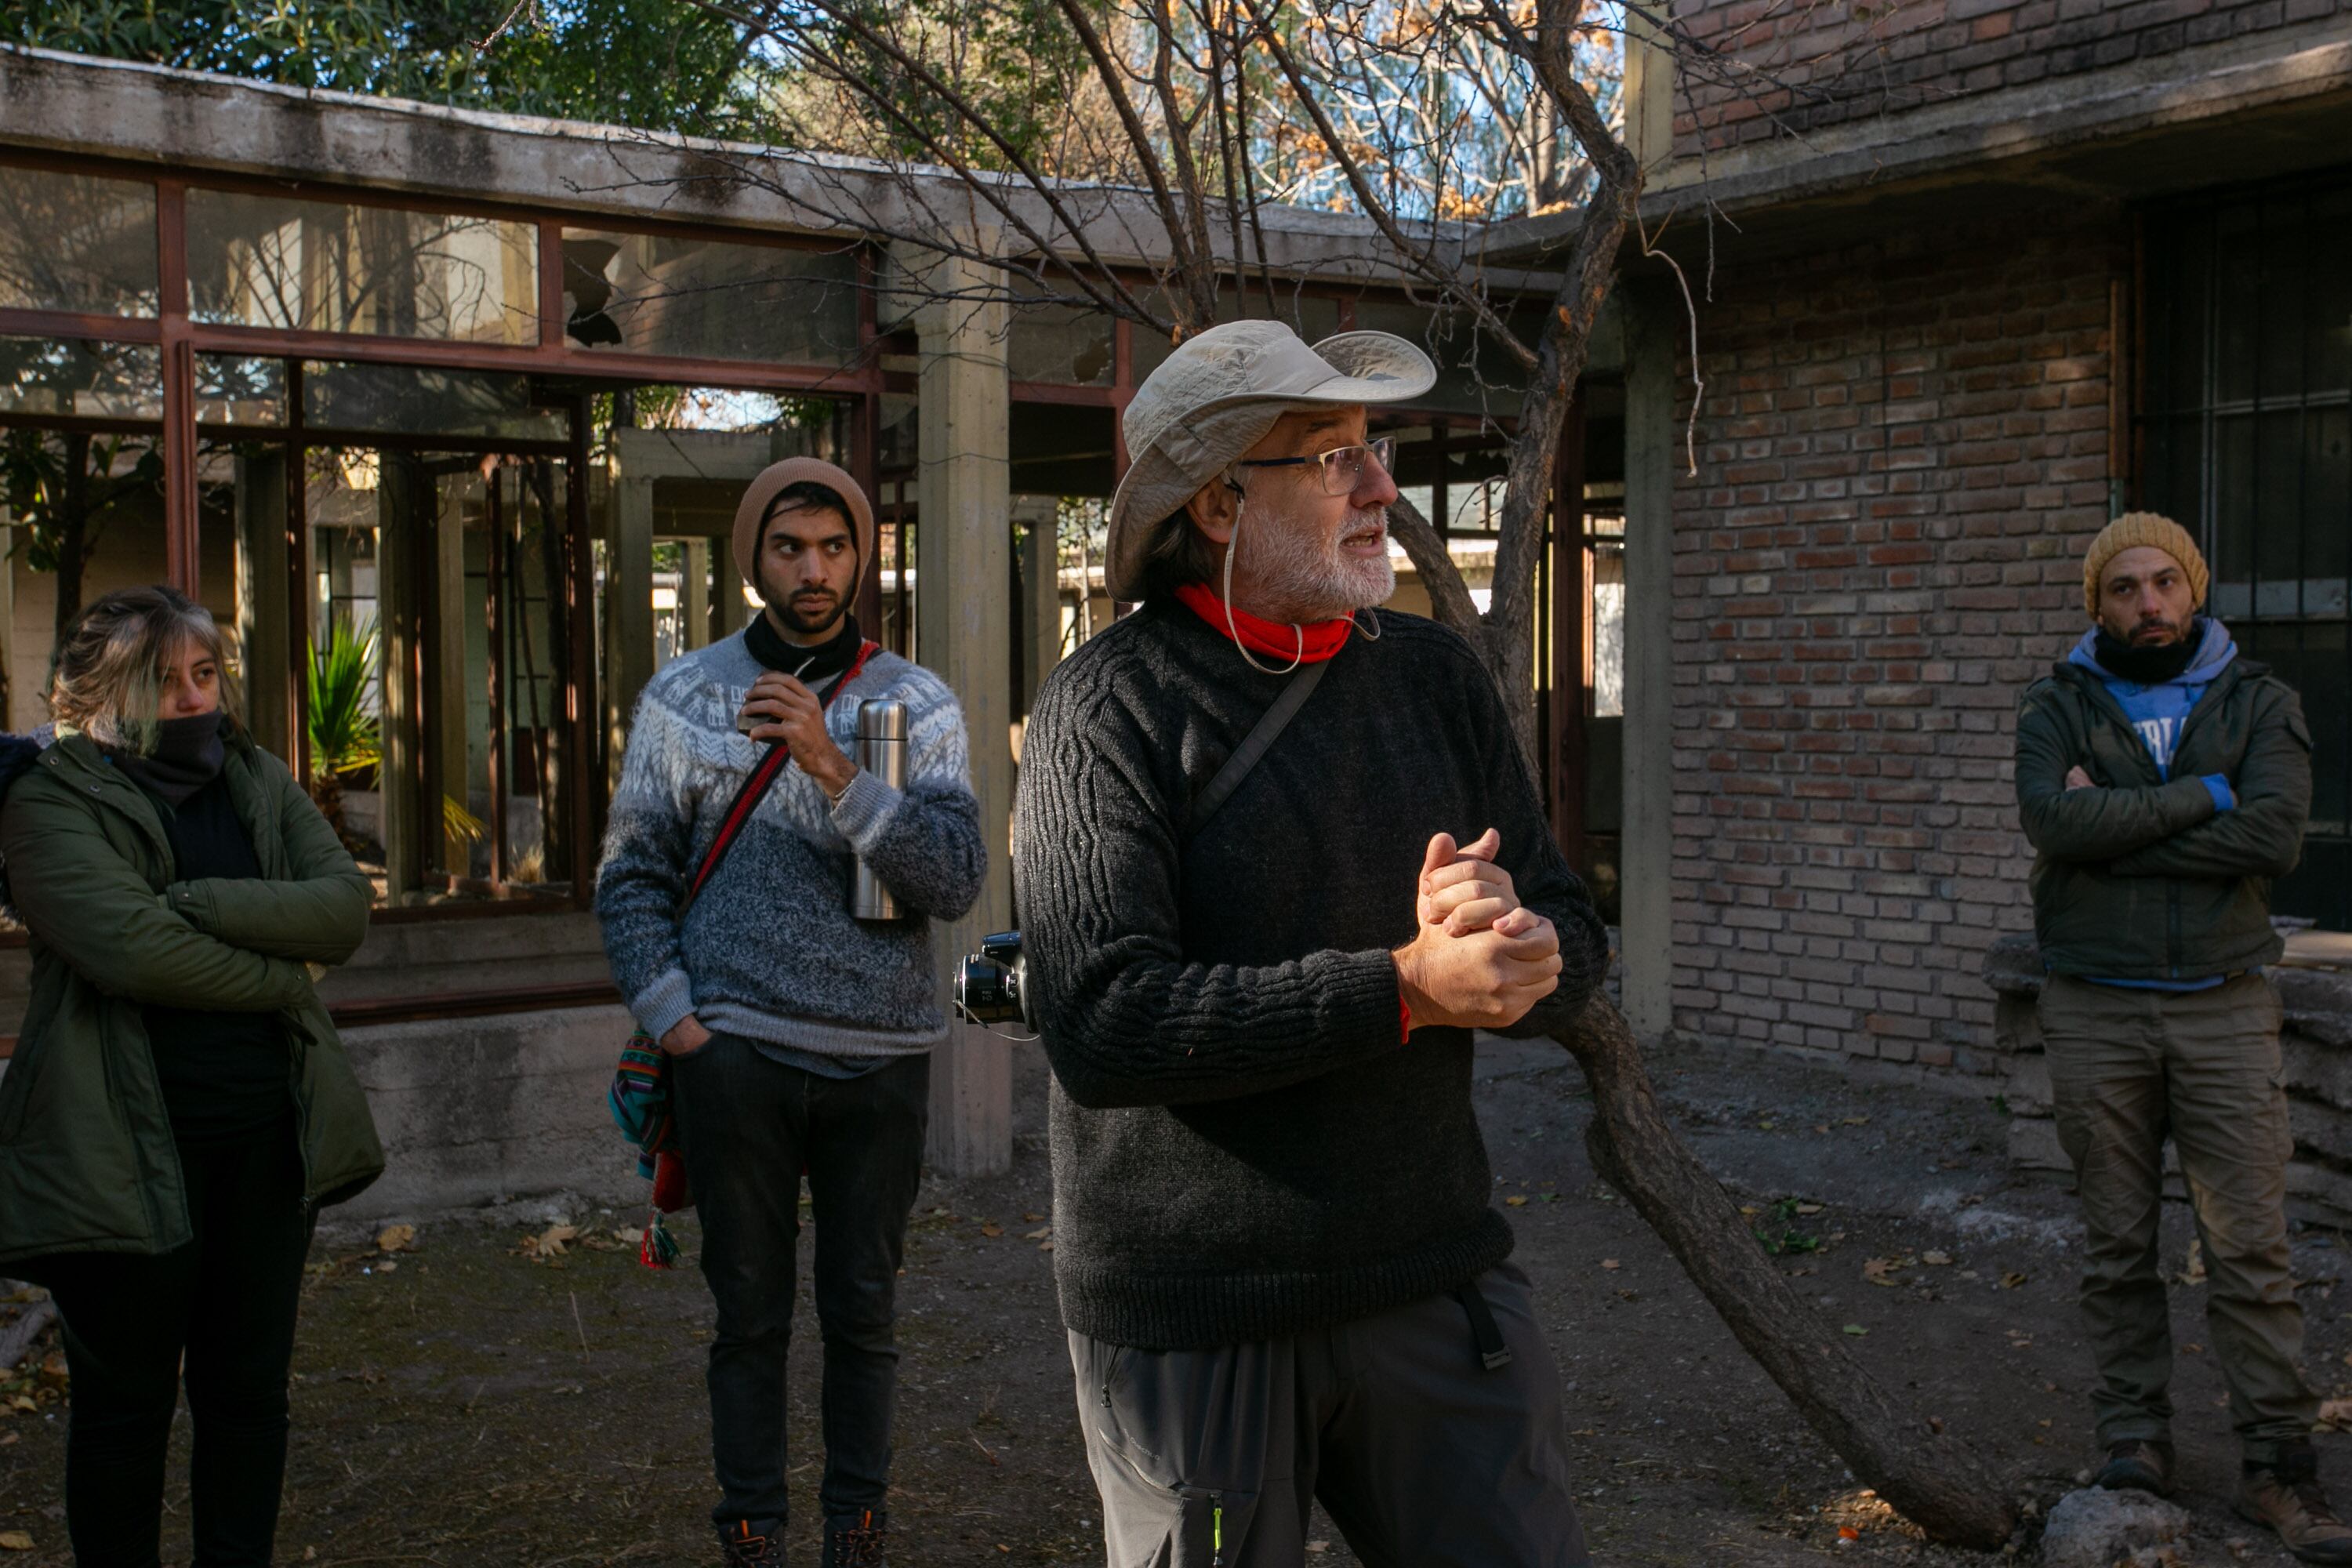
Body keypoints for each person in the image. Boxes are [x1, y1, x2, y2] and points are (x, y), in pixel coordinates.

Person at [1012, 319, 1608, 1568]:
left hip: (1432, 1280)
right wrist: (1404, 988)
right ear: (1222, 503)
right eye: (1332, 456)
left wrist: (1519, 953)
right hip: (1197, 1313)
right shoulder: (1103, 705)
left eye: (1369, 447)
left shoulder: (1439, 680)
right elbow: (1103, 1022)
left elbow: (1577, 931)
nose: (1381, 486)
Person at [596, 457, 986, 1568]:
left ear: (863, 554)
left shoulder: (919, 703)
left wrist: (829, 762)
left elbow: (953, 881)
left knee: (864, 1311)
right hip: (736, 1053)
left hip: (880, 1056)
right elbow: (630, 874)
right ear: (752, 559)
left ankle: (856, 1526)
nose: (813, 571)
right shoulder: (685, 697)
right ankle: (752, 1530)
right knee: (749, 1313)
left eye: (834, 547)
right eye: (788, 548)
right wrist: (676, 1018)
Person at [0, 584, 383, 1568]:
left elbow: (340, 907)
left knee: (249, 1396)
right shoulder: (49, 801)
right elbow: (133, 952)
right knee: (124, 1410)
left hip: (264, 1144)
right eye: (159, 680)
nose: (191, 699)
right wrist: (280, 969)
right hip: (114, 1152)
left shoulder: (254, 776)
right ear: (91, 693)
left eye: (204, 674)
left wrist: (194, 900)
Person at [2014, 513, 2347, 1562]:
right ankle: (2134, 1442)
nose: (2147, 605)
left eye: (2165, 583)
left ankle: (2281, 1472)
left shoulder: (2262, 702)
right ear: (2098, 602)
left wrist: (2119, 818)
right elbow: (2052, 825)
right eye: (2125, 589)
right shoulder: (2057, 701)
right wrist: (2206, 797)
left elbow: (2275, 836)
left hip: (2223, 1003)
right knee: (2118, 1244)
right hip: (2095, 1005)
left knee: (2250, 1247)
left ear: (2193, 591)